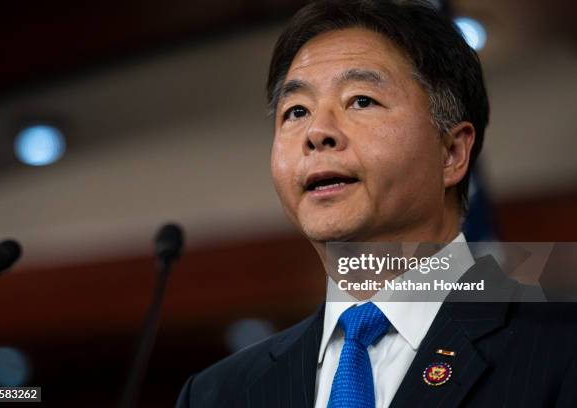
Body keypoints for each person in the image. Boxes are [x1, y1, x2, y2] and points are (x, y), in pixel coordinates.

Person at [177, 1, 577, 407]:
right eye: (296, 111)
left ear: (452, 153)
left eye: (361, 101)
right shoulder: (216, 394)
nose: (317, 132)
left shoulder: (563, 348)